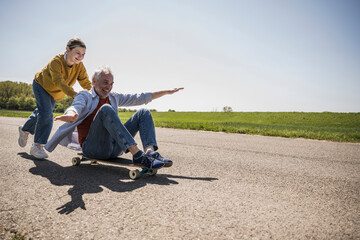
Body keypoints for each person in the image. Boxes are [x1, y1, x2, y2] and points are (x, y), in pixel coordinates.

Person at [44, 66, 183, 169]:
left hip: (113, 148)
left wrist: (166, 92)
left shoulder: (113, 97)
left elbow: (139, 98)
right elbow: (76, 106)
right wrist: (70, 114)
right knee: (106, 110)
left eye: (111, 84)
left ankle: (150, 154)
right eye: (105, 82)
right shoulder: (85, 96)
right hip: (93, 148)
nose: (108, 87)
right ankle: (138, 156)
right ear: (94, 81)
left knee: (144, 112)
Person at [18, 38, 92, 159]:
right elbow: (59, 82)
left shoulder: (79, 66)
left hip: (56, 93)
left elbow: (85, 81)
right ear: (68, 50)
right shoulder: (56, 62)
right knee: (46, 114)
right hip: (41, 85)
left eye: (83, 54)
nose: (80, 56)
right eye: (77, 53)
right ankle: (37, 145)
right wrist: (74, 94)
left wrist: (93, 92)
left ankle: (24, 129)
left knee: (42, 112)